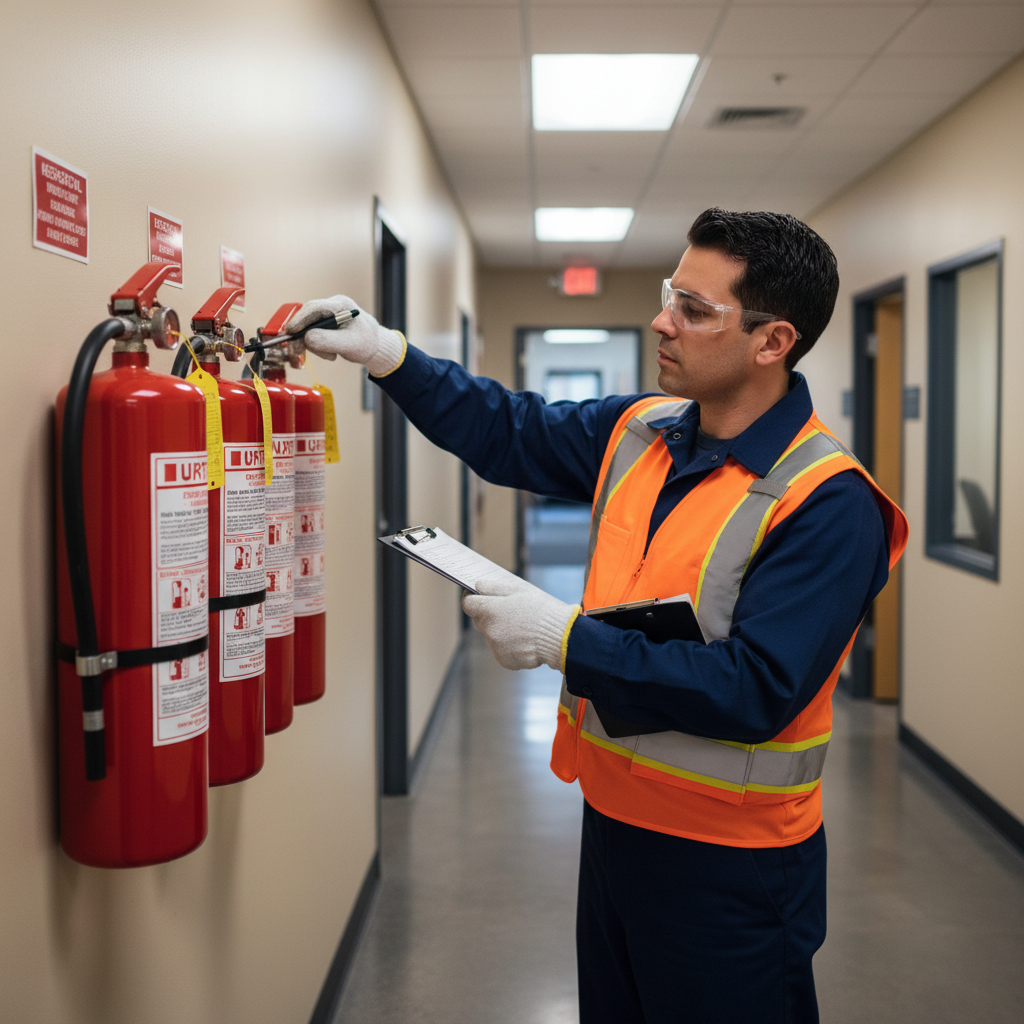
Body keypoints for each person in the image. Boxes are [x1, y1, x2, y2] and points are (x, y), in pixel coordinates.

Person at [290, 208, 908, 1024]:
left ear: (772, 341)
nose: (663, 321)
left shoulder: (828, 503)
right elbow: (508, 429)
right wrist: (388, 356)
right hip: (616, 824)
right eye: (668, 295)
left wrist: (563, 638)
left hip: (733, 863)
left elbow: (757, 689)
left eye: (694, 308)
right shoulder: (642, 431)